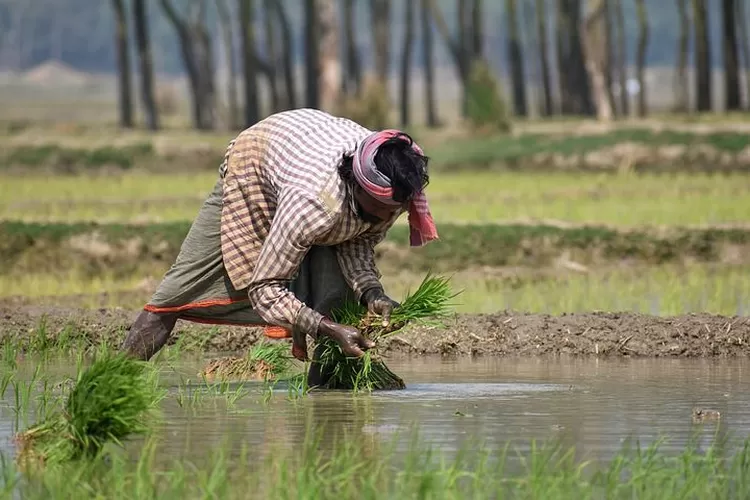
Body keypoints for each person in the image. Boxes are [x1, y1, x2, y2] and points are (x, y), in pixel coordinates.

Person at [119, 108, 438, 383]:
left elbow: (358, 240)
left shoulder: (389, 187)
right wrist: (327, 329)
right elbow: (266, 288)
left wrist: (372, 293)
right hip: (256, 165)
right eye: (384, 209)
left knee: (339, 297)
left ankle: (325, 396)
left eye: (396, 210)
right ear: (358, 186)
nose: (389, 217)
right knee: (176, 292)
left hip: (303, 149)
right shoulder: (312, 203)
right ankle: (112, 381)